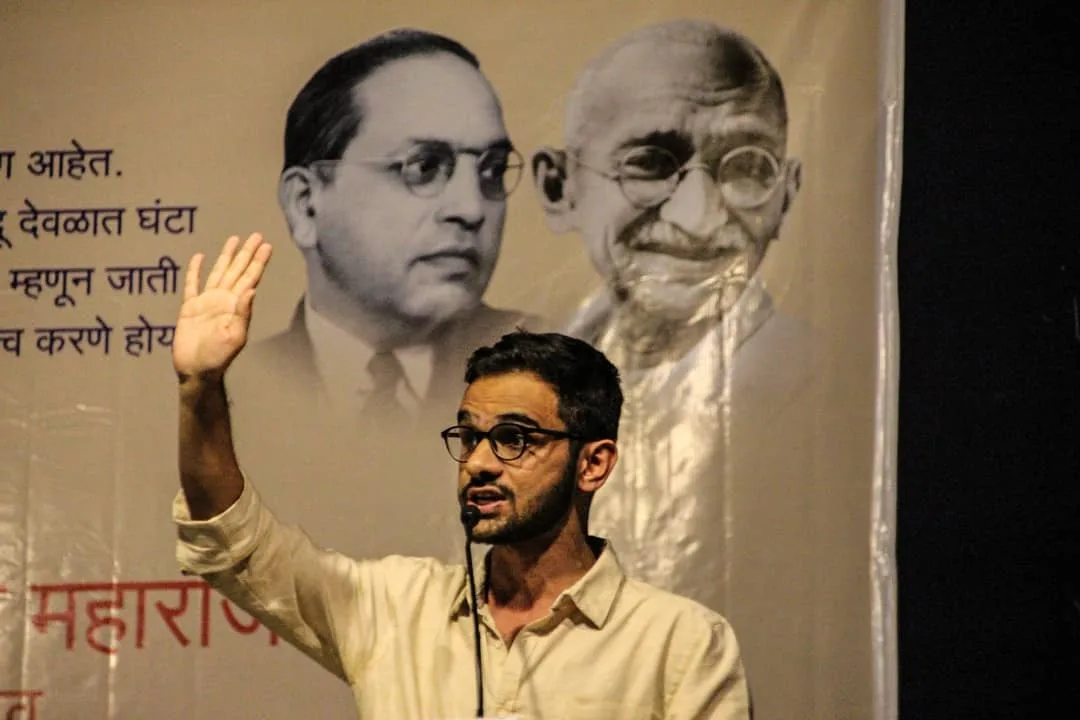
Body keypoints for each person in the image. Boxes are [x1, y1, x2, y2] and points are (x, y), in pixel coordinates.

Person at [170, 233, 752, 719]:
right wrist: (200, 389)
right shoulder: (395, 608)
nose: (478, 463)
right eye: (471, 437)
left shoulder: (679, 644)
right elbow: (235, 542)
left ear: (593, 463)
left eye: (514, 439)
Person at [529, 19, 820, 612]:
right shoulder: (527, 379)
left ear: (786, 195)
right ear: (559, 187)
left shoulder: (825, 389)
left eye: (745, 167)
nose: (697, 215)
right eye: (650, 163)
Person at [240, 28, 540, 430]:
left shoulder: (555, 370)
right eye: (424, 167)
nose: (471, 209)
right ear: (306, 204)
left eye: (493, 169)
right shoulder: (232, 388)